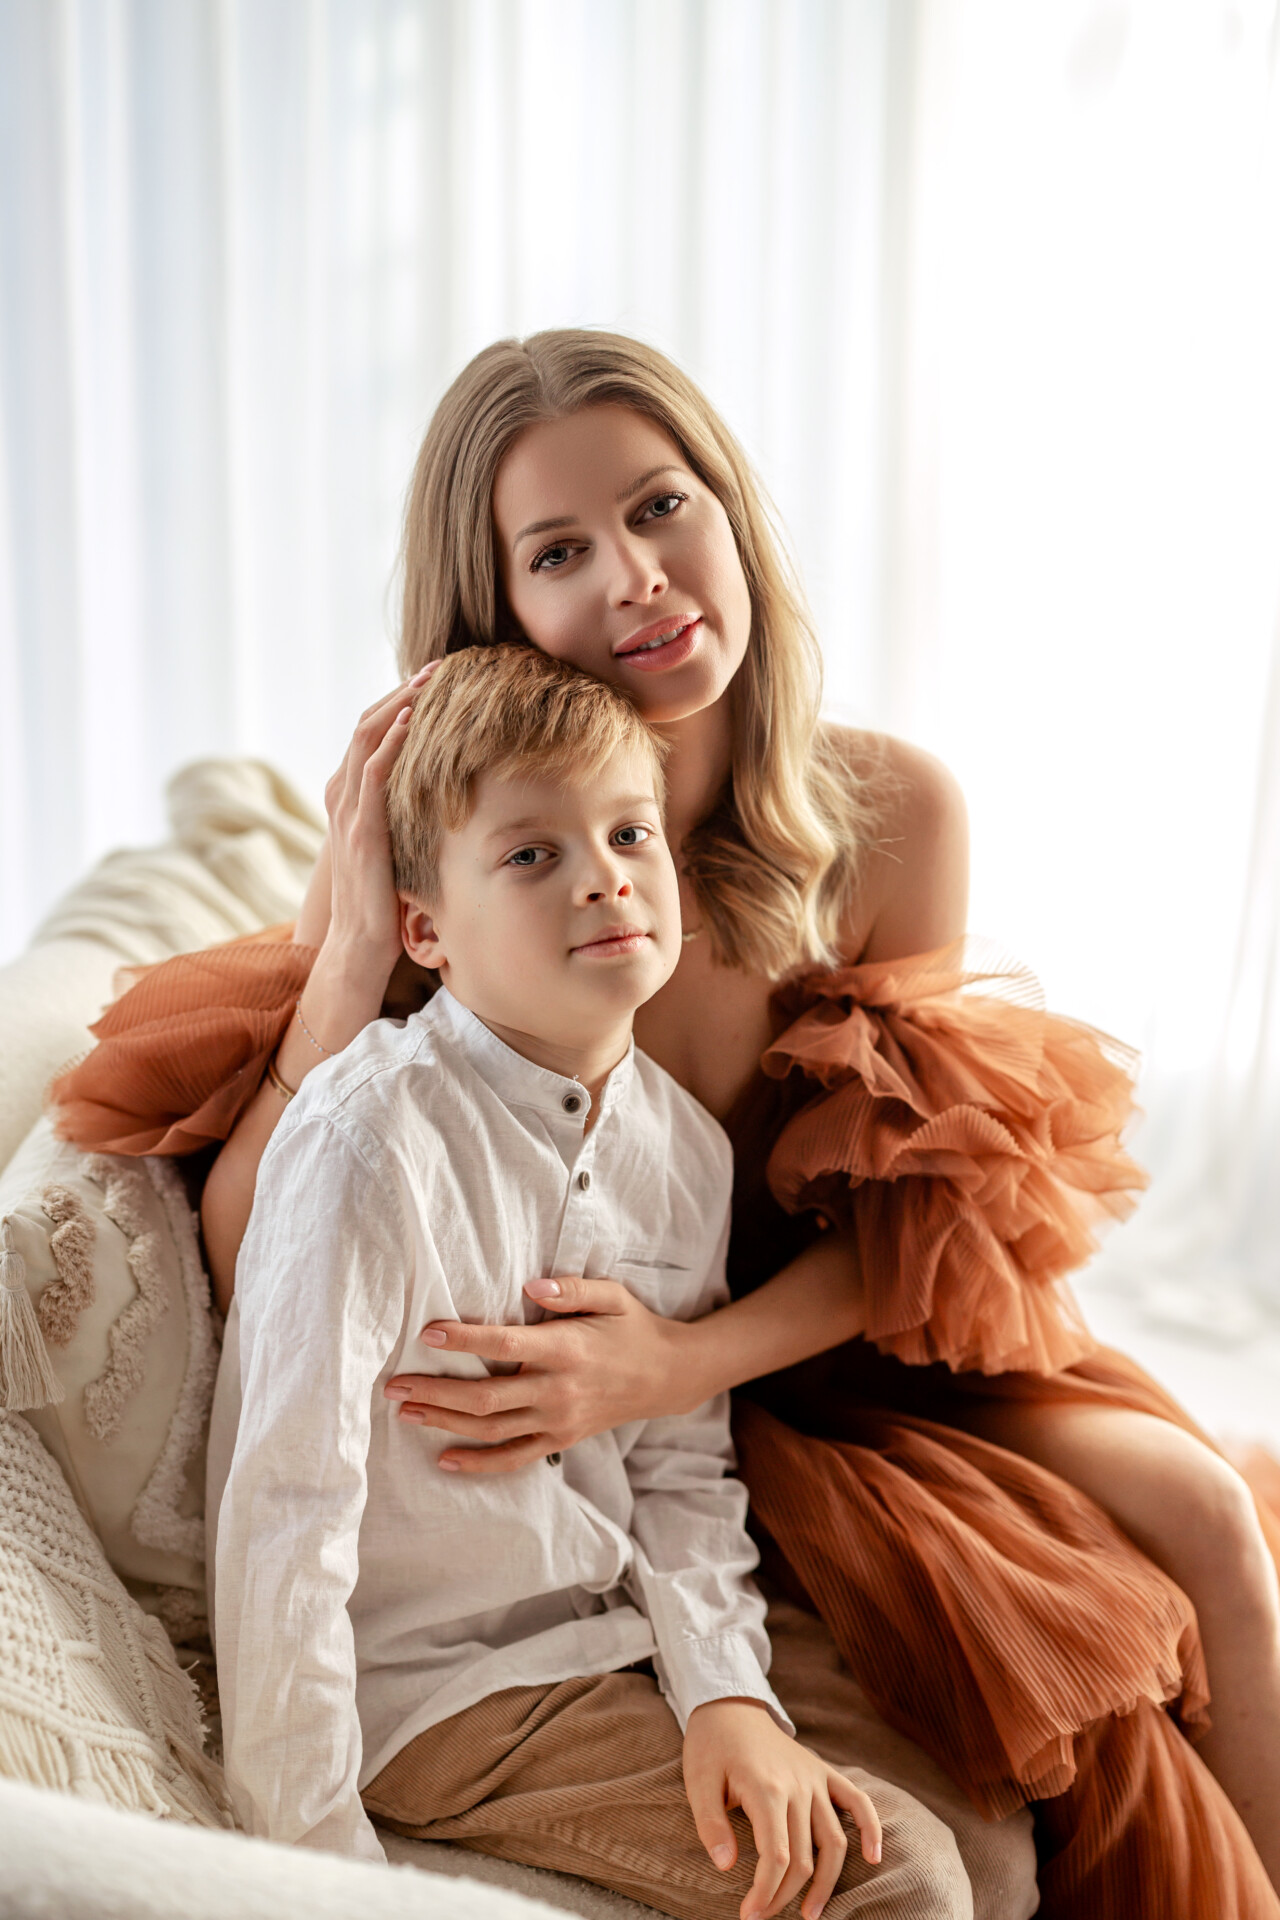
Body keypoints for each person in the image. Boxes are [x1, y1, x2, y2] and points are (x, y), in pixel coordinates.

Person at [52, 329, 1280, 1920]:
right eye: (562, 551)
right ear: (499, 617)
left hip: (843, 1335)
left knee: (1210, 1523)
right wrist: (353, 948)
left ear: (731, 511)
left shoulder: (890, 810)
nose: (636, 575)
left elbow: (924, 1231)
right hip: (645, 1414)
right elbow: (252, 1247)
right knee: (971, 1798)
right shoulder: (491, 863)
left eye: (660, 508)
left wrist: (678, 1358)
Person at [210, 641, 1030, 1920]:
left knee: (989, 1842)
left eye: (629, 834)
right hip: (444, 1687)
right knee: (902, 1884)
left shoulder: (681, 1151)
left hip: (617, 1628)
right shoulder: (365, 1141)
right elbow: (283, 1515)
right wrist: (314, 1871)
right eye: (532, 855)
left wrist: (726, 1700)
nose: (602, 879)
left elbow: (674, 1464)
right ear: (423, 927)